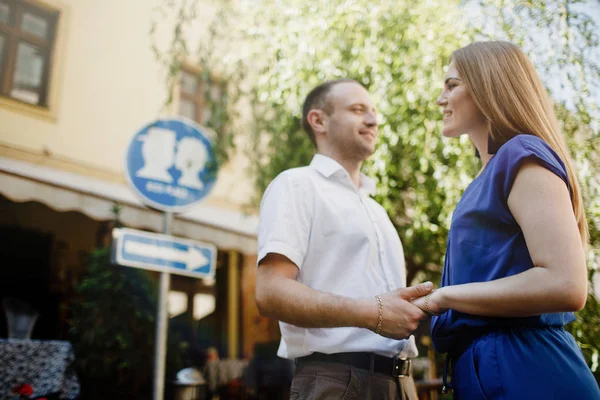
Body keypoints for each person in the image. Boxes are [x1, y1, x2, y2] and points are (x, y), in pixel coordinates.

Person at [411, 41, 600, 399]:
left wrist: (446, 297)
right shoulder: (488, 175)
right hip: (491, 367)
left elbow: (566, 284)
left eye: (451, 85)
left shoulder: (521, 155)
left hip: (527, 368)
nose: (440, 99)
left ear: (488, 86)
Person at [256, 78, 434, 400]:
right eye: (357, 110)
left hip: (402, 384)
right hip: (339, 382)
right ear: (319, 120)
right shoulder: (296, 185)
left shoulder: (375, 208)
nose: (372, 120)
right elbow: (270, 292)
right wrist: (374, 313)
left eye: (374, 112)